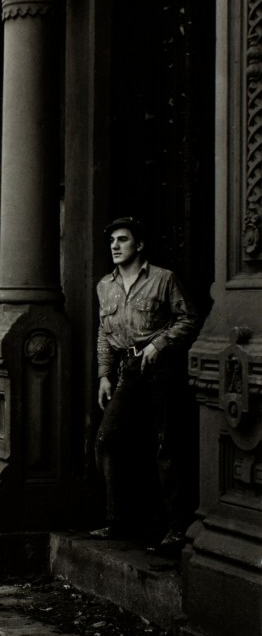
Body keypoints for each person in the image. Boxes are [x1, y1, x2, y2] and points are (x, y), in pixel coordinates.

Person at [93, 216, 200, 548]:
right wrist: (104, 375)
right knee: (108, 440)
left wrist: (159, 344)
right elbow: (104, 334)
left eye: (122, 240)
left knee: (166, 446)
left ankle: (177, 526)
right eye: (112, 241)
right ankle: (117, 520)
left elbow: (190, 318)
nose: (115, 246)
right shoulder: (104, 286)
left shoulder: (163, 280)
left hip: (161, 370)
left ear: (139, 245)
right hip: (127, 371)